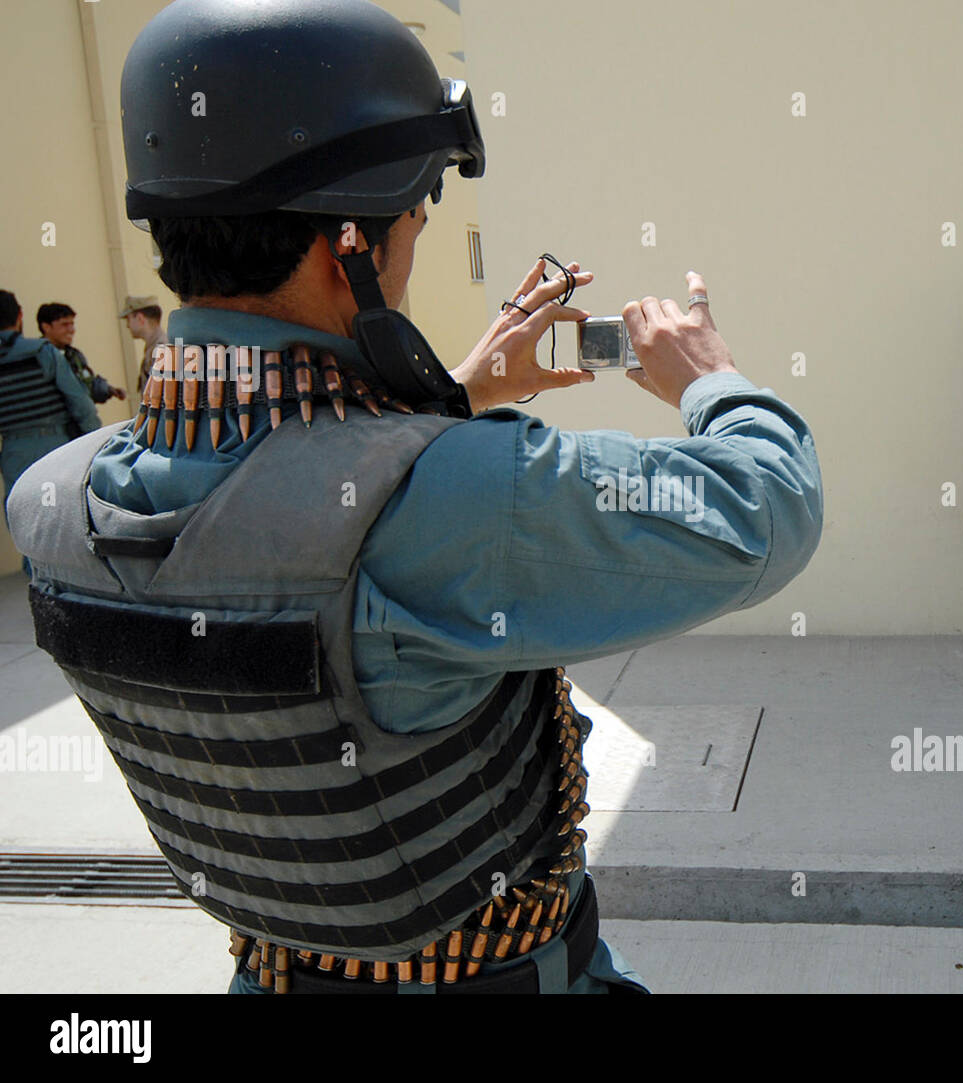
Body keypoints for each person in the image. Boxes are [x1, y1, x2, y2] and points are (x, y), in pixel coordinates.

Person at [7, 0, 822, 994]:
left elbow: (269, 484)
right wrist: (708, 379)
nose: (419, 234)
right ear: (347, 244)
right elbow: (765, 513)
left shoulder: (47, 504)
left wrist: (451, 399)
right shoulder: (449, 499)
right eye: (416, 213)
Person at [0, 290, 102, 575]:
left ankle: (39, 584)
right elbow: (79, 402)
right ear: (20, 317)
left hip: (14, 452)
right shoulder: (42, 352)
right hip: (57, 448)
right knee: (68, 518)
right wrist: (96, 445)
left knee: (25, 523)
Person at [37, 302, 128, 404]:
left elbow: (87, 384)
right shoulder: (37, 359)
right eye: (64, 325)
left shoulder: (74, 356)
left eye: (72, 324)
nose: (71, 330)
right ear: (46, 327)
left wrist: (108, 390)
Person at [119, 294, 167, 396]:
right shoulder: (155, 347)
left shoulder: (161, 350)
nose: (127, 326)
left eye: (129, 319)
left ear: (140, 318)